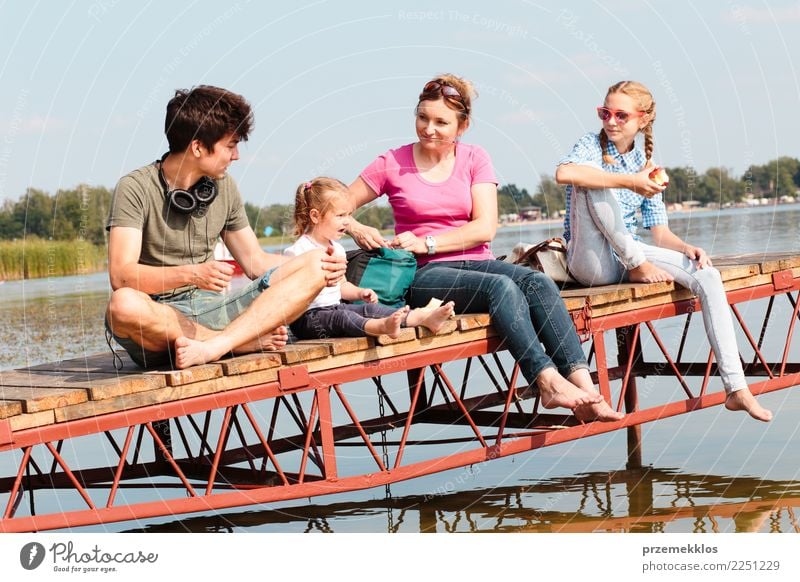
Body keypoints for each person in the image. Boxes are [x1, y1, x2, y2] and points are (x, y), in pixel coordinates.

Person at [346, 74, 621, 421]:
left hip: (476, 262)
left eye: (441, 122)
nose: (429, 128)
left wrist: (428, 239)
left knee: (536, 281)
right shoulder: (392, 162)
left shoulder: (475, 158)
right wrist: (355, 225)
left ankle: (586, 390)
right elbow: (332, 202)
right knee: (501, 287)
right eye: (423, 118)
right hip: (424, 274)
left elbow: (484, 228)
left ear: (462, 126)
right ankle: (547, 381)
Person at [555, 80, 772, 422]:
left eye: (620, 115)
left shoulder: (647, 164)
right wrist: (631, 183)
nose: (610, 121)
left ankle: (736, 387)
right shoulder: (590, 146)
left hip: (632, 252)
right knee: (587, 180)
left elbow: (660, 232)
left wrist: (687, 248)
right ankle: (636, 263)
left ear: (642, 120)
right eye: (604, 113)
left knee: (708, 275)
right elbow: (564, 173)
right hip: (592, 261)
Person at [105, 85, 346, 370]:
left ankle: (215, 346)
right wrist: (191, 274)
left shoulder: (224, 187)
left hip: (214, 310)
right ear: (197, 147)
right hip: (158, 323)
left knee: (317, 262)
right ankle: (237, 342)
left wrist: (319, 265)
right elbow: (121, 276)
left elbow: (256, 263)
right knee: (122, 305)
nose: (236, 156)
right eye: (230, 146)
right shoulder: (134, 188)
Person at [285, 177, 455, 340]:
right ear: (315, 216)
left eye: (349, 215)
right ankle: (381, 327)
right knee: (343, 317)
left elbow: (342, 285)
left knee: (367, 308)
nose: (346, 222)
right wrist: (318, 282)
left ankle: (421, 318)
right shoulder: (298, 251)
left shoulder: (337, 249)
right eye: (340, 215)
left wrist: (359, 292)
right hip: (308, 319)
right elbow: (289, 298)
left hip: (334, 309)